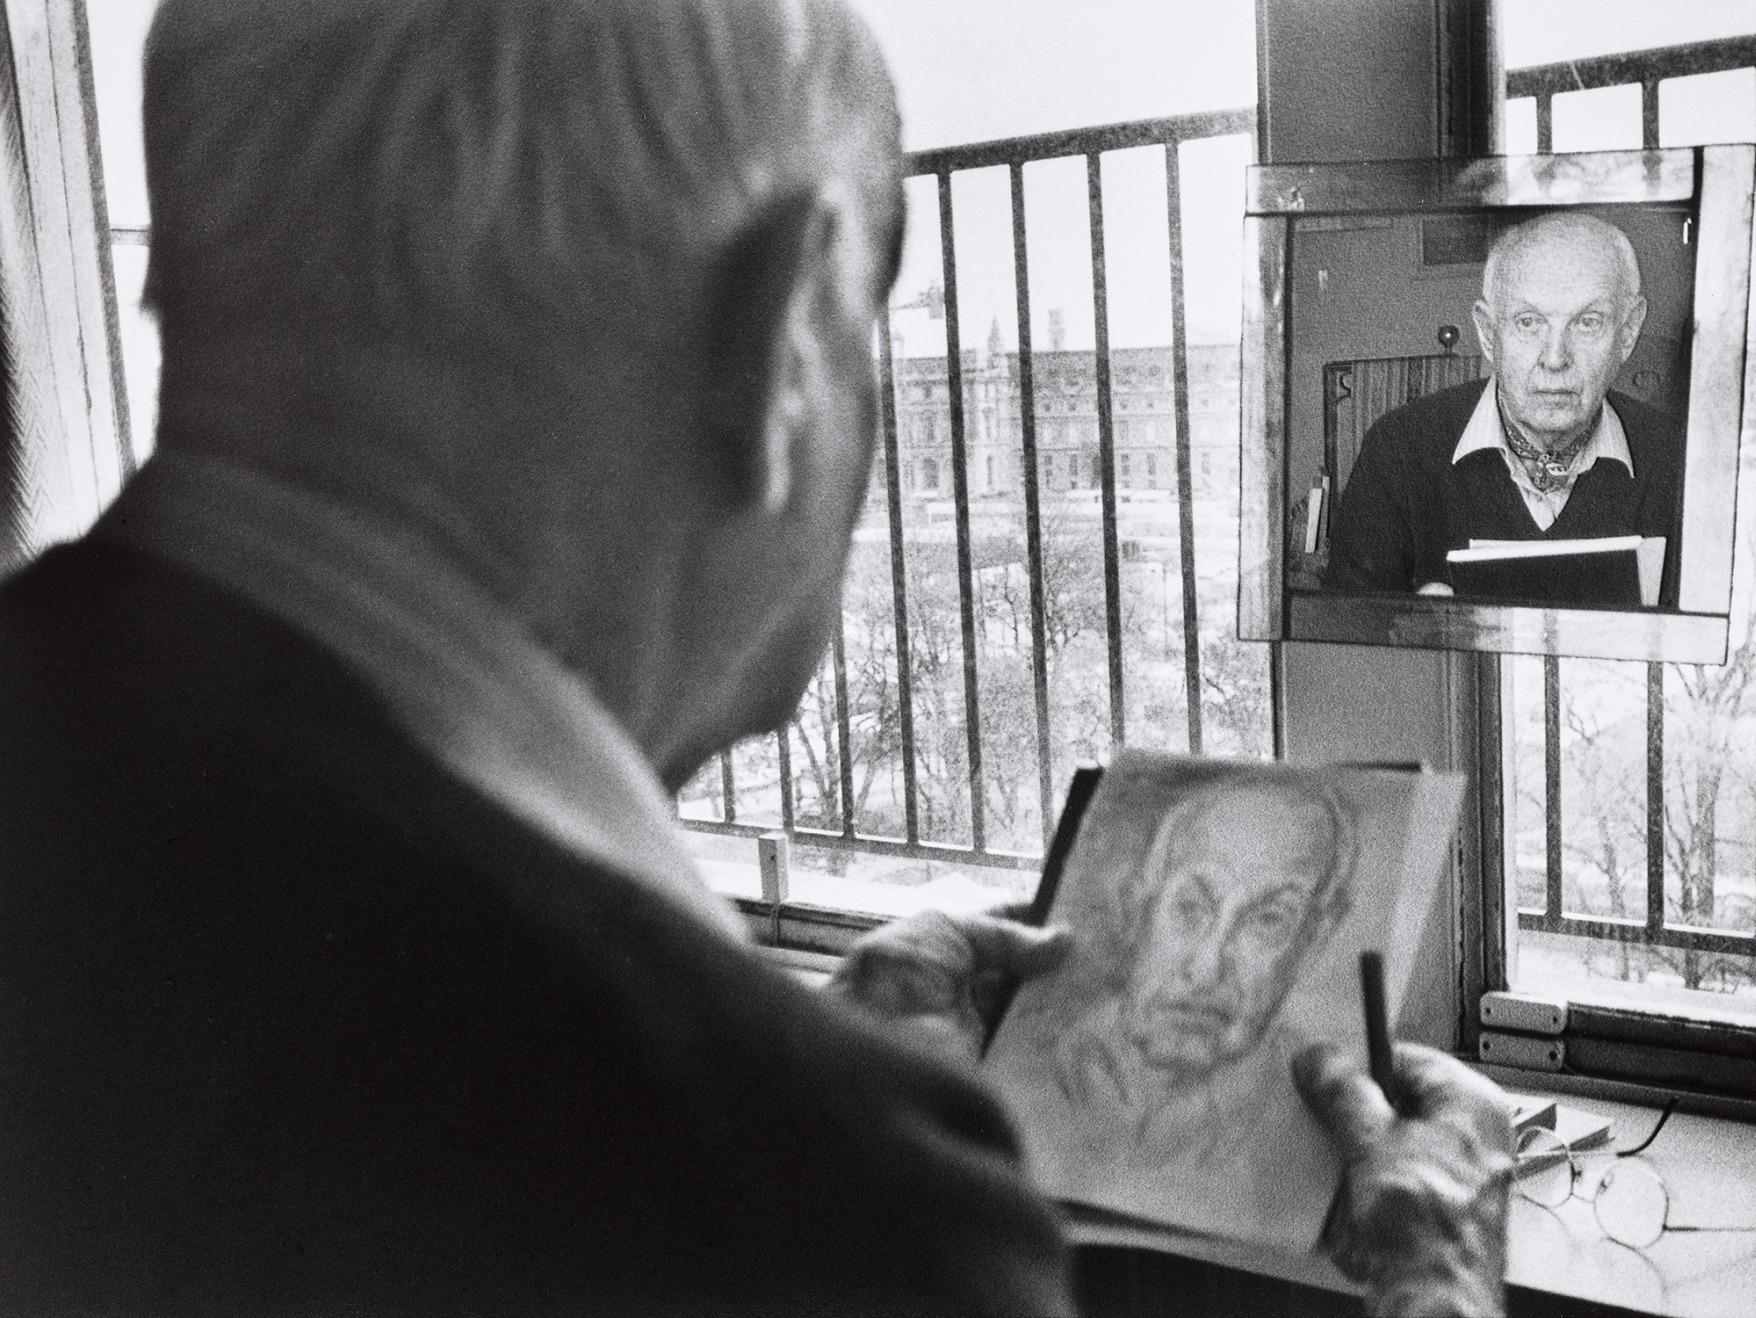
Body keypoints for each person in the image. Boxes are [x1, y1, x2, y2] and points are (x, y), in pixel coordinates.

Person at [0, 0, 1513, 1313]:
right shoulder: (813, 1202)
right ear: (781, 335)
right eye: (873, 320)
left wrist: (786, 1053)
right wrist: (1433, 1278)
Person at [1324, 211, 1684, 605]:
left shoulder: (1681, 459)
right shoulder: (1398, 448)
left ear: (1628, 332)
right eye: (1529, 323)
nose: (1555, 358)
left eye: (1587, 322)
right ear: (1488, 333)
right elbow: (1351, 645)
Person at [1054, 781, 1350, 1169]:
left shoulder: (1319, 1114)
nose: (1208, 970)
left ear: (1311, 945)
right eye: (1189, 907)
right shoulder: (1046, 1060)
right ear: (1135, 907)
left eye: (1268, 920)